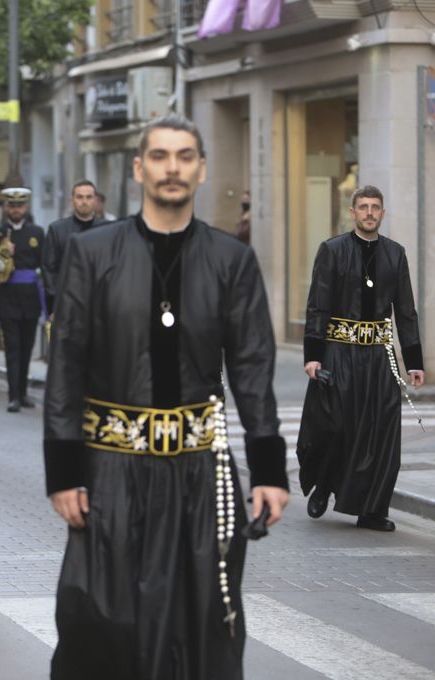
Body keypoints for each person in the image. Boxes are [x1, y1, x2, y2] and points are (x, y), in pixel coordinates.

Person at [44, 114, 289, 679]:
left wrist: (270, 471)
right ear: (138, 169)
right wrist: (63, 473)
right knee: (106, 617)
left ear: (202, 169)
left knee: (203, 617)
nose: (172, 167)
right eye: (159, 156)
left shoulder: (232, 260)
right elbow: (67, 367)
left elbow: (252, 369)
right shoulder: (93, 253)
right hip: (112, 473)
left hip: (202, 475)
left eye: (184, 156)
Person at [297, 185, 424, 532]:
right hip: (340, 353)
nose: (369, 212)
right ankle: (324, 484)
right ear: (352, 212)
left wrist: (413, 360)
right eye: (363, 207)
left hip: (380, 357)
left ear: (382, 213)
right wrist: (313, 355)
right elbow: (318, 304)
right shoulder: (332, 251)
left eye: (375, 207)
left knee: (381, 432)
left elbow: (406, 311)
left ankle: (372, 510)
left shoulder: (395, 255)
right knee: (336, 425)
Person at [0, 187, 45, 412]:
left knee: (27, 348)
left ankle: (23, 393)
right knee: (13, 349)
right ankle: (13, 396)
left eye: (20, 205)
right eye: (12, 205)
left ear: (26, 207)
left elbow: (44, 265)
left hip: (31, 300)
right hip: (8, 299)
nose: (16, 209)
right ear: (6, 208)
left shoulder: (37, 232)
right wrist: (4, 253)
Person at [42, 180, 107, 317]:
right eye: (79, 197)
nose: (84, 201)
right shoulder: (57, 230)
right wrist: (54, 307)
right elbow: (49, 270)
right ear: (72, 200)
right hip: (67, 304)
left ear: (95, 200)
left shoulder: (109, 229)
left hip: (100, 304)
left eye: (89, 197)